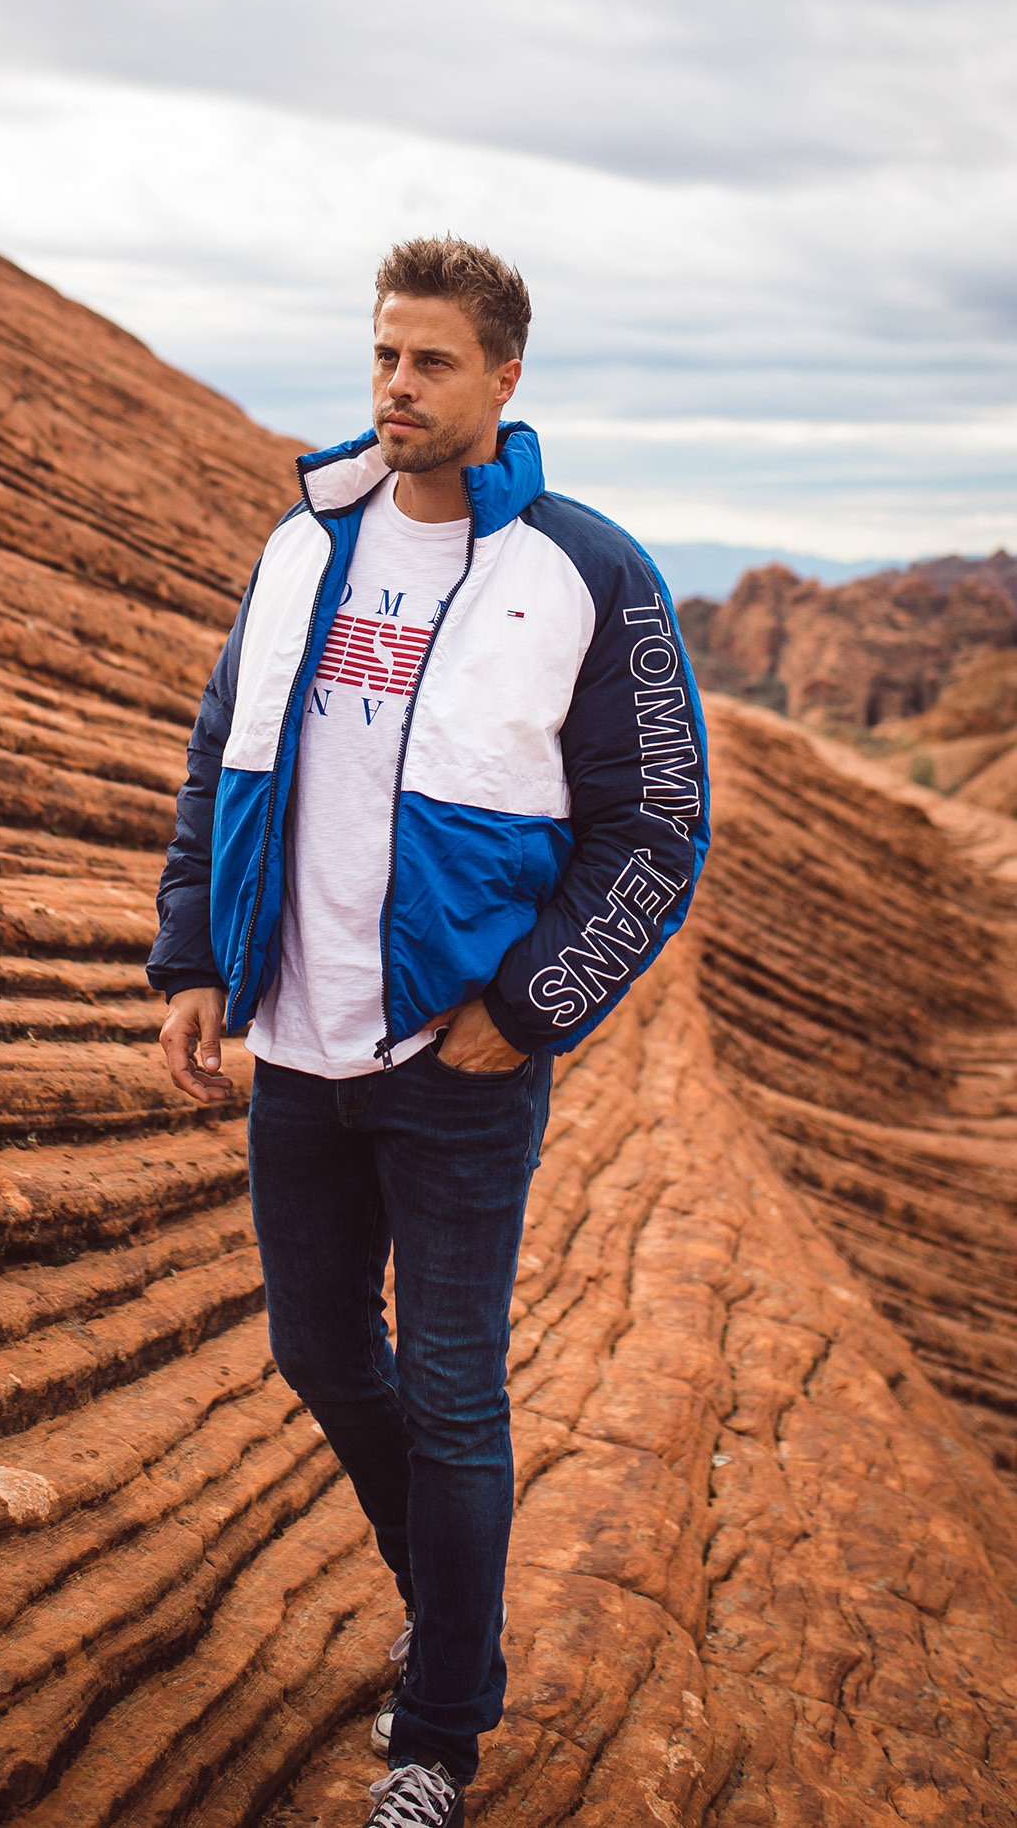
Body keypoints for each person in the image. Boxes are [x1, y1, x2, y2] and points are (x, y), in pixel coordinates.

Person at [148, 236, 709, 1828]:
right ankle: (447, 1603)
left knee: (458, 1396)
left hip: (454, 1067)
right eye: (386, 355)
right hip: (294, 1043)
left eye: (434, 362)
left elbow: (659, 822)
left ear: (505, 379)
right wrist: (193, 956)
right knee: (317, 1349)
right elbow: (219, 756)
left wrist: (528, 1009)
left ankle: (441, 1734)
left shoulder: (587, 570)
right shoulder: (303, 543)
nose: (398, 386)